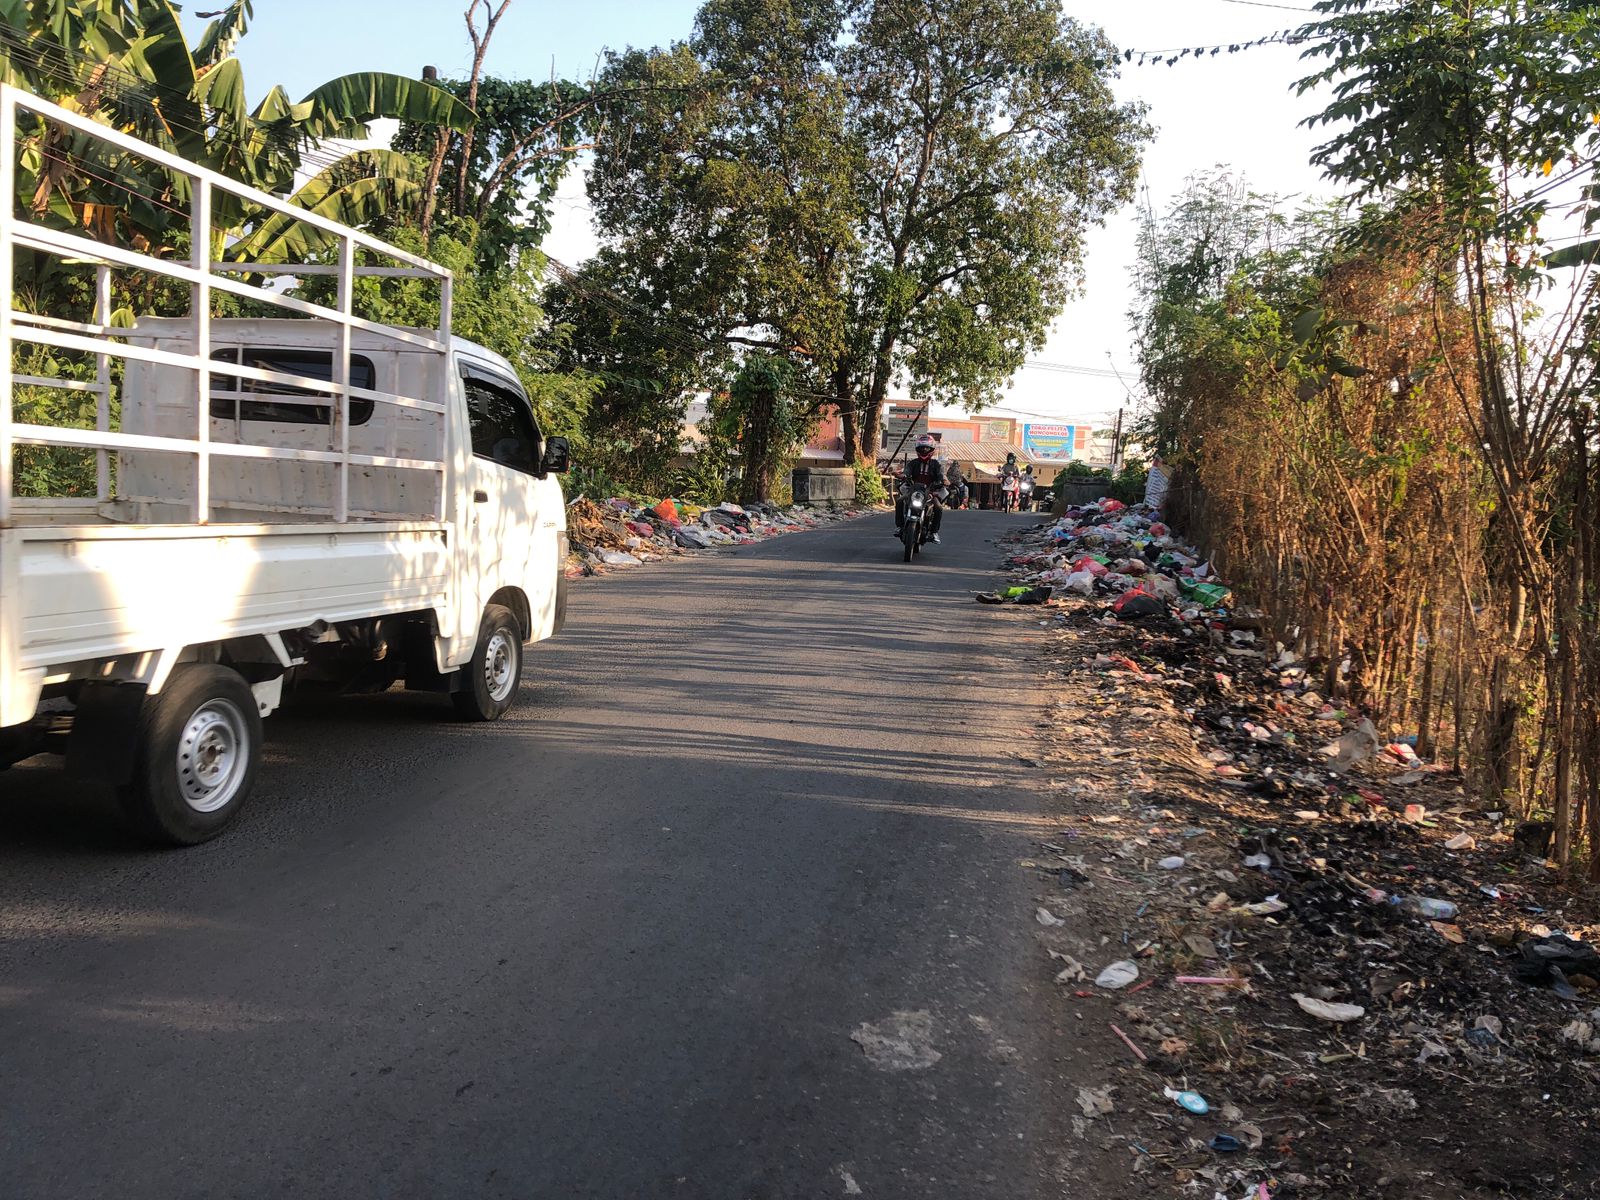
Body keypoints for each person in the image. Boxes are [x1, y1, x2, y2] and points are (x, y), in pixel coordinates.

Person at [894, 433, 946, 543]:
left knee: (938, 507)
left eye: (927, 448)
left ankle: (934, 532)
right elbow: (906, 473)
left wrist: (944, 481)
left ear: (931, 449)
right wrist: (901, 475)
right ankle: (899, 527)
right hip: (914, 491)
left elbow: (941, 475)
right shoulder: (913, 463)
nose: (924, 451)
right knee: (899, 501)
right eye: (922, 448)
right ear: (918, 449)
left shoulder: (936, 464)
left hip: (930, 492)